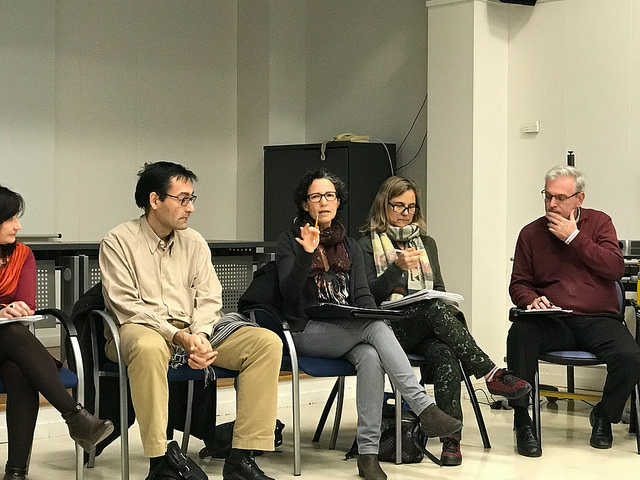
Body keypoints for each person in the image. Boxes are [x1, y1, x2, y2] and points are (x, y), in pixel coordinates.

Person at [99, 162, 282, 480]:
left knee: (265, 343)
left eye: (192, 199)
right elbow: (127, 306)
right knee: (148, 347)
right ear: (155, 200)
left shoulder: (194, 241)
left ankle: (242, 456)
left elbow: (210, 297)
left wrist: (200, 335)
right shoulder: (118, 241)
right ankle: (160, 461)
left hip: (194, 331)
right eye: (183, 199)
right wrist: (178, 336)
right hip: (140, 329)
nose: (191, 208)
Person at [276, 170, 462, 480]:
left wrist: (372, 317)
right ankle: (422, 407)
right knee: (374, 327)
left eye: (330, 196)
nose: (324, 202)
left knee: (372, 355)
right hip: (305, 330)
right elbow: (288, 295)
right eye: (316, 196)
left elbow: (363, 296)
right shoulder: (290, 242)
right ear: (305, 204)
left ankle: (368, 455)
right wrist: (307, 254)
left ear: (339, 202)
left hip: (346, 330)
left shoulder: (349, 245)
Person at [358, 175, 530, 466]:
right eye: (398, 205)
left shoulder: (427, 243)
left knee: (445, 352)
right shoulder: (365, 244)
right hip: (387, 329)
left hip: (423, 326)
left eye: (411, 207)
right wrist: (397, 268)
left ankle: (451, 441)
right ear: (383, 206)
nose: (405, 213)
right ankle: (490, 374)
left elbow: (437, 287)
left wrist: (435, 299)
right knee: (433, 308)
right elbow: (368, 296)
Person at [508, 165, 640, 457]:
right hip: (553, 319)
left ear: (579, 199)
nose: (552, 204)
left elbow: (615, 268)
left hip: (598, 319)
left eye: (560, 198)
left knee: (630, 356)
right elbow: (518, 284)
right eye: (547, 196)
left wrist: (574, 238)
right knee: (520, 334)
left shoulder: (600, 223)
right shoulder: (530, 233)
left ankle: (604, 416)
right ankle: (523, 420)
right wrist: (530, 299)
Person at [0, 186, 113, 480]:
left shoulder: (22, 255)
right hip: (11, 339)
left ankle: (16, 473)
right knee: (13, 338)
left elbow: (27, 304)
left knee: (18, 368)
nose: (18, 226)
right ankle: (76, 417)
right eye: (10, 218)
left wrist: (16, 309)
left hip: (10, 345)